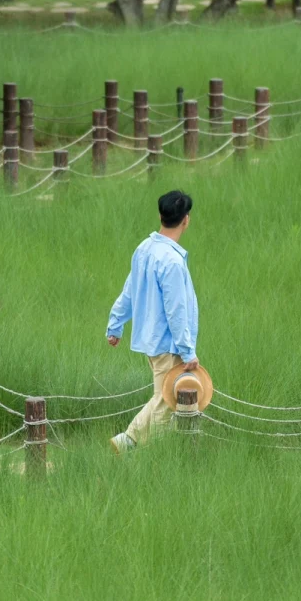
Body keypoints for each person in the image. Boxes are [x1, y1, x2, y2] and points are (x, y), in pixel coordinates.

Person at [106, 189, 198, 453]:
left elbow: (129, 290)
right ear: (186, 220)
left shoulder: (144, 249)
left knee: (162, 398)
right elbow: (176, 310)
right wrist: (187, 350)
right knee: (167, 403)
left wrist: (116, 323)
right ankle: (150, 454)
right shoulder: (171, 261)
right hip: (168, 345)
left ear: (161, 215)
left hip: (151, 341)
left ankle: (127, 442)